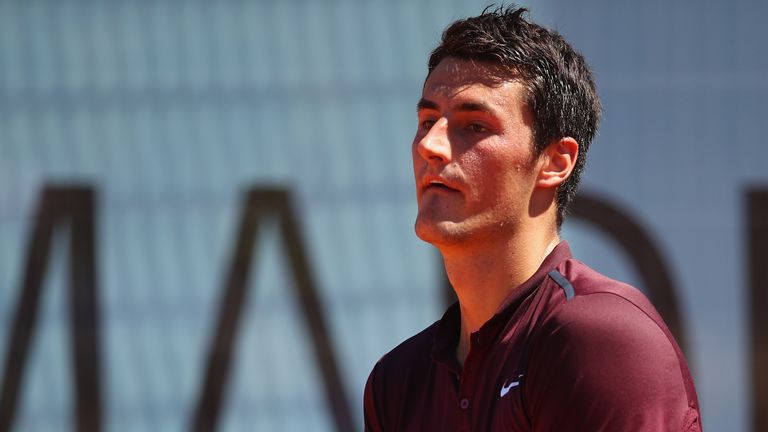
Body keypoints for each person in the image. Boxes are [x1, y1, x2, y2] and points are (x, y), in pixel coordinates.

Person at [363, 5, 701, 431]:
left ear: (555, 161)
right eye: (428, 120)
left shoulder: (600, 338)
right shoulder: (396, 380)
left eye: (474, 126)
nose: (430, 145)